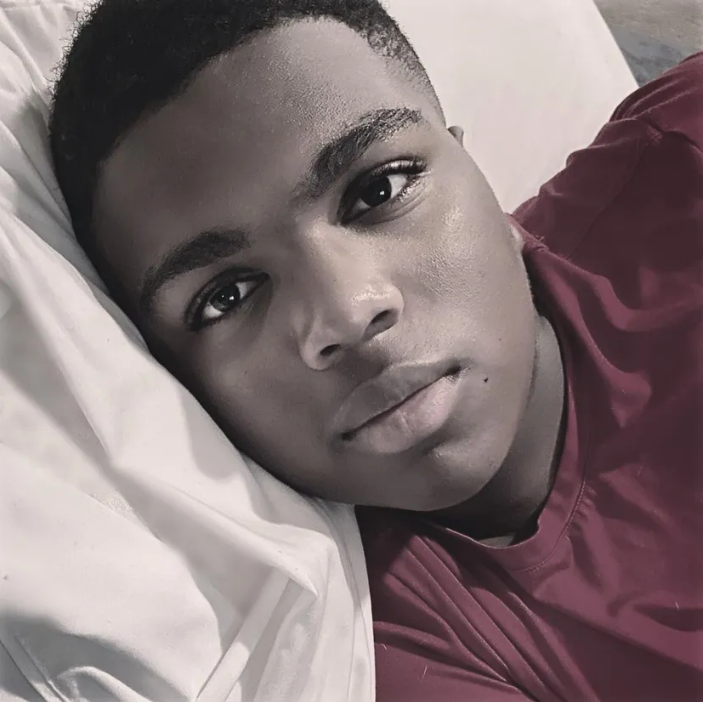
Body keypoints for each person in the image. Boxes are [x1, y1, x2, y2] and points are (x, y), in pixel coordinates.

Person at [48, 0, 703, 699]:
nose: (347, 312)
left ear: (480, 178)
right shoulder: (369, 651)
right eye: (227, 295)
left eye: (378, 190)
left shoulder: (684, 151)